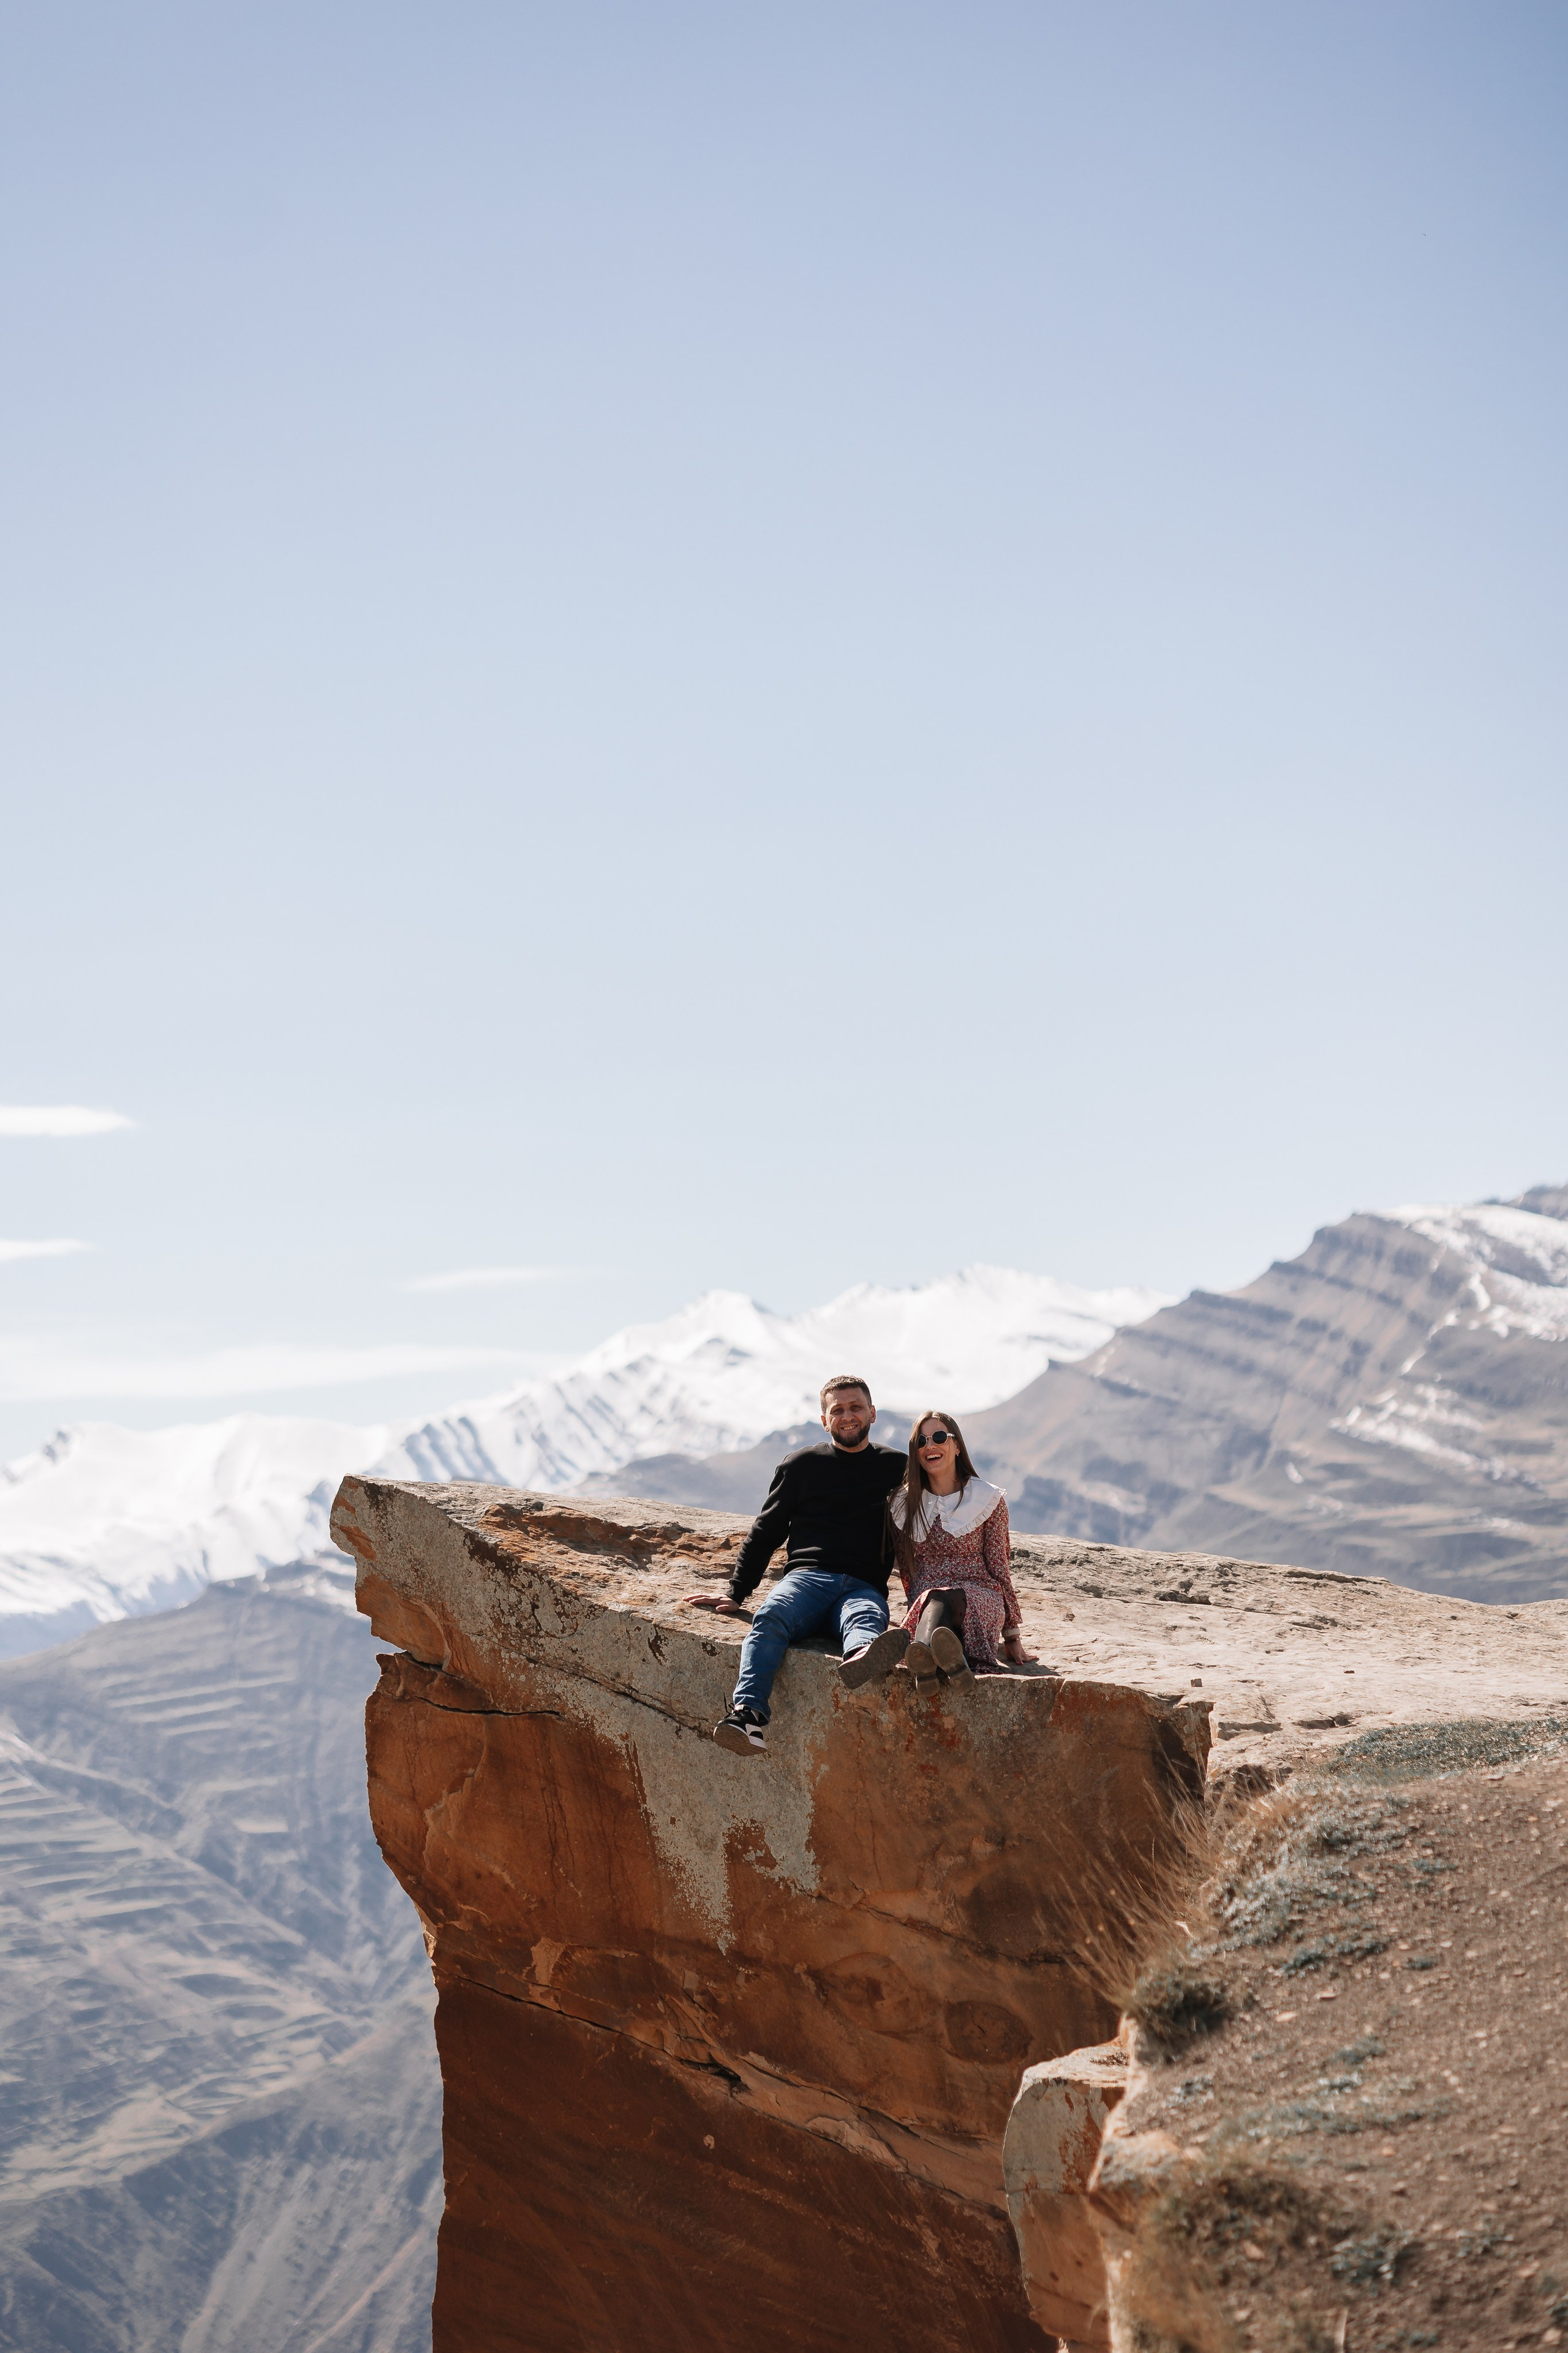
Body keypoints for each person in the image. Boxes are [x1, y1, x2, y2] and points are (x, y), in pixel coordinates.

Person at [682, 1375, 910, 1754]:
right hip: (808, 1579)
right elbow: (767, 1530)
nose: (847, 1416)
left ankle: (861, 1658)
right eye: (837, 1410)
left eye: (855, 1407)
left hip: (864, 1585)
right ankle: (747, 1717)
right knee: (771, 1617)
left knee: (867, 1619)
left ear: (872, 1413)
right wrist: (737, 1591)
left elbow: (929, 1526)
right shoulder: (802, 1465)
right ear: (825, 1420)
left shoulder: (898, 1468)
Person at [889, 1411, 1029, 1683]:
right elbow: (908, 1572)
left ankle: (922, 1659)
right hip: (926, 1601)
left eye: (939, 1437)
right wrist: (913, 1605)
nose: (930, 1446)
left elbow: (1000, 1568)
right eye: (921, 1441)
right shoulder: (902, 1504)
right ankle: (948, 1662)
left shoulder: (987, 1499)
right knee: (933, 1598)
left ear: (957, 1447)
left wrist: (1012, 1635)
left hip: (979, 1599)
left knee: (939, 1597)